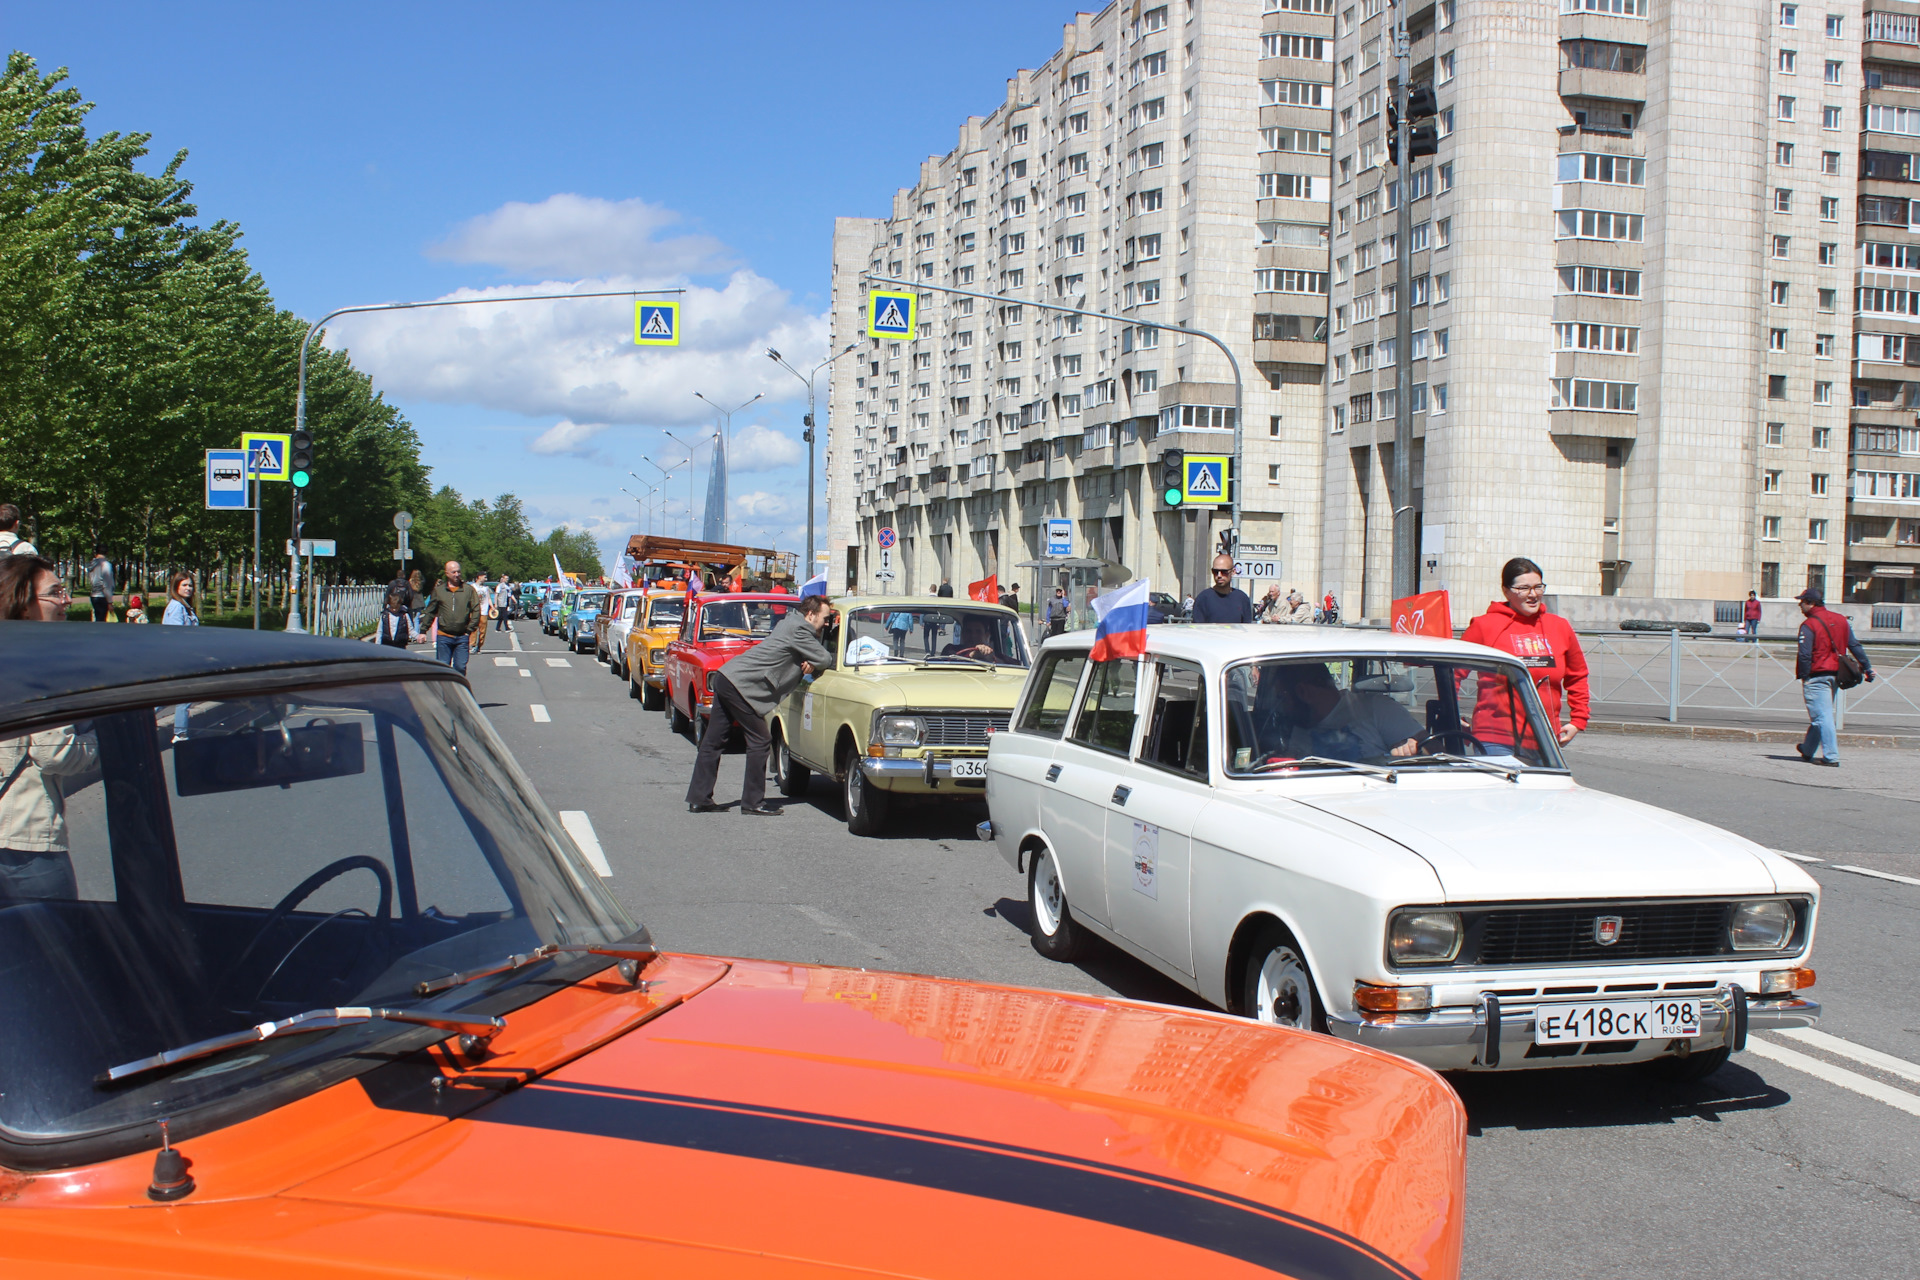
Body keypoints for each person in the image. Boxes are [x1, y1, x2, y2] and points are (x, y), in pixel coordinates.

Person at [0, 555, 97, 902]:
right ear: (25, 606)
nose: (66, 600)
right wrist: (103, 741)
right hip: (25, 846)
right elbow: (56, 753)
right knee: (53, 950)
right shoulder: (39, 664)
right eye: (55, 593)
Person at [686, 594, 834, 817]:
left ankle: (699, 798)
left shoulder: (789, 622)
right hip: (742, 686)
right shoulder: (801, 629)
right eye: (825, 619)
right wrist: (813, 661)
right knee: (760, 740)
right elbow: (824, 659)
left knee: (714, 741)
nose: (826, 624)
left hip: (728, 677)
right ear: (810, 615)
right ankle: (753, 802)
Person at [1460, 557, 1589, 758]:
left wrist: (1578, 721)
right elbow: (1452, 672)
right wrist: (1451, 714)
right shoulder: (1484, 626)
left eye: (1538, 587)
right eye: (1524, 588)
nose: (1533, 595)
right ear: (1506, 591)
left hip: (1545, 737)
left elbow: (1578, 676)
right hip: (1495, 738)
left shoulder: (1560, 627)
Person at [1266, 662, 1423, 762]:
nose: (1281, 707)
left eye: (1282, 698)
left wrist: (1412, 749)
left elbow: (1435, 750)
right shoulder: (1296, 730)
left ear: (1303, 692)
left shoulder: (1377, 708)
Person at [1794, 587, 1875, 767]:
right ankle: (1807, 749)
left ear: (1811, 603)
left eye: (1802, 602)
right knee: (1822, 714)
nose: (1800, 606)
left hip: (1817, 675)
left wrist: (1804, 675)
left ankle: (1831, 756)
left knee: (1822, 717)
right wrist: (1867, 667)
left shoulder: (1809, 625)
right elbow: (1854, 645)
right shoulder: (1840, 619)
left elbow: (1805, 654)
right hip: (1836, 674)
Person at [420, 561, 482, 674]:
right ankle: (445, 691)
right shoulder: (439, 591)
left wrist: (470, 628)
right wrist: (423, 630)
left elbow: (476, 609)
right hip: (444, 636)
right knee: (443, 668)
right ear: (447, 573)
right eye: (453, 572)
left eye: (458, 572)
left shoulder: (468, 590)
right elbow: (430, 611)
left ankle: (459, 690)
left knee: (460, 667)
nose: (457, 574)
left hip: (462, 636)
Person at [162, 572, 200, 743]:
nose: (188, 588)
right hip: (178, 660)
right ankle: (180, 734)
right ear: (176, 587)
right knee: (183, 696)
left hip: (186, 658)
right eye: (184, 585)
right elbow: (175, 635)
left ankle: (180, 733)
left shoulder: (185, 606)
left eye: (190, 585)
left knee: (172, 696)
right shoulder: (176, 606)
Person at [1191, 554, 1255, 623]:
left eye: (1224, 572)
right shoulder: (1203, 598)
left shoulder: (1242, 598)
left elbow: (1246, 628)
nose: (1219, 575)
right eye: (1215, 571)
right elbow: (1198, 630)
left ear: (1233, 572)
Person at [941, 613, 1016, 664]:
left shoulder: (995, 655)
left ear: (986, 635)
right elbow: (947, 661)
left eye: (978, 632)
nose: (973, 635)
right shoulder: (950, 649)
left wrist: (990, 658)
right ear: (962, 634)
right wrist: (971, 656)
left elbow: (1018, 666)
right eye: (968, 631)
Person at [87, 550, 115, 622]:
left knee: (98, 618)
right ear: (107, 552)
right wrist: (110, 602)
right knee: (102, 620)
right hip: (102, 596)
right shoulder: (105, 565)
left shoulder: (92, 564)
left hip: (94, 595)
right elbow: (107, 583)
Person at [470, 572, 493, 655]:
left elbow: (488, 598)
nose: (485, 579)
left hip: (484, 611)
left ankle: (479, 646)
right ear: (479, 577)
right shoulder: (472, 587)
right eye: (484, 577)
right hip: (475, 611)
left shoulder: (485, 588)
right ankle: (472, 645)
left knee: (483, 631)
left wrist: (492, 607)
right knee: (474, 629)